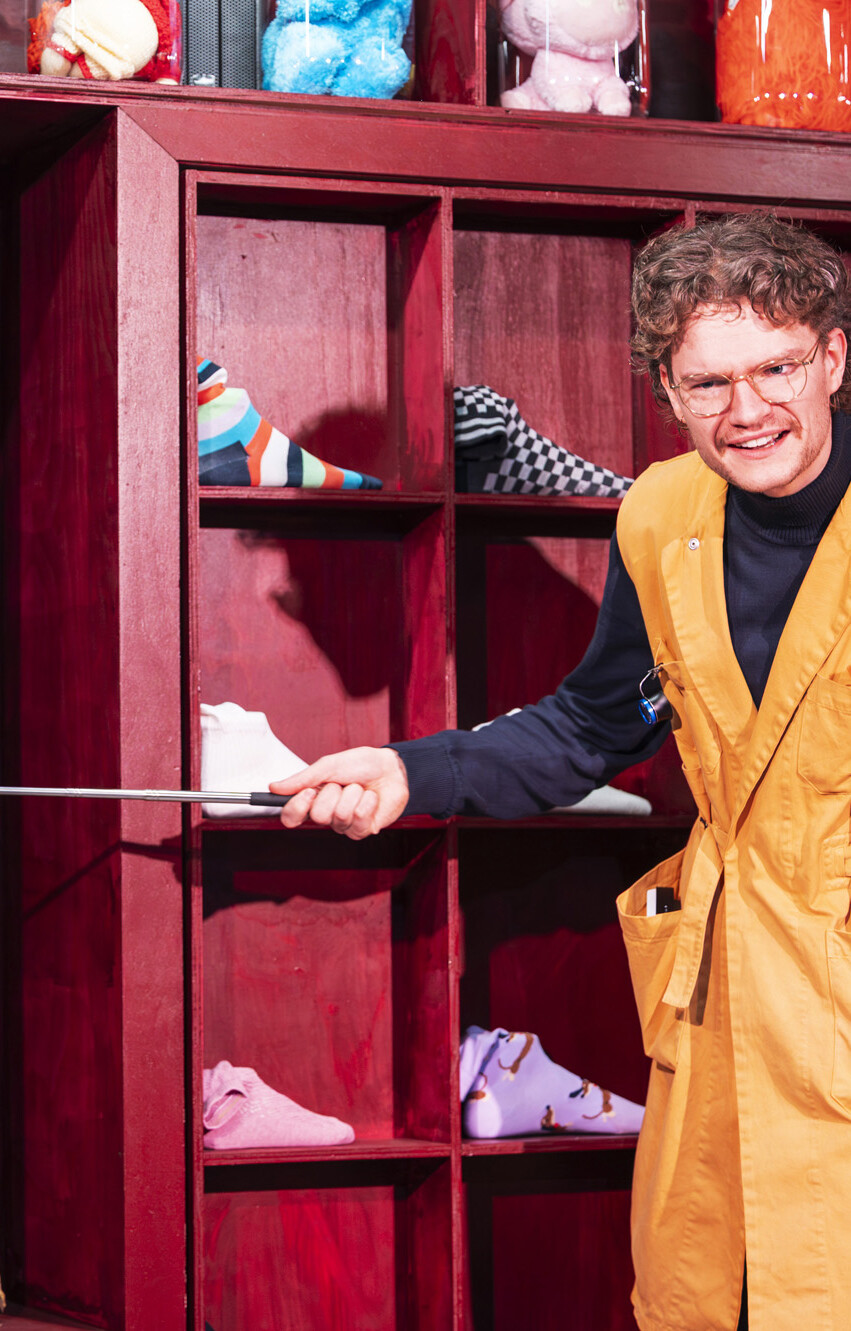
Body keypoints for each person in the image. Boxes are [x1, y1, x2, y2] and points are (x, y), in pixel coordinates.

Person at [270, 211, 851, 1331]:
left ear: (831, 356)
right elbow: (596, 722)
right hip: (723, 994)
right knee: (699, 1294)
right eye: (707, 382)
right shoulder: (661, 514)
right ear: (667, 392)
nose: (745, 410)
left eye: (775, 368)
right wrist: (407, 772)